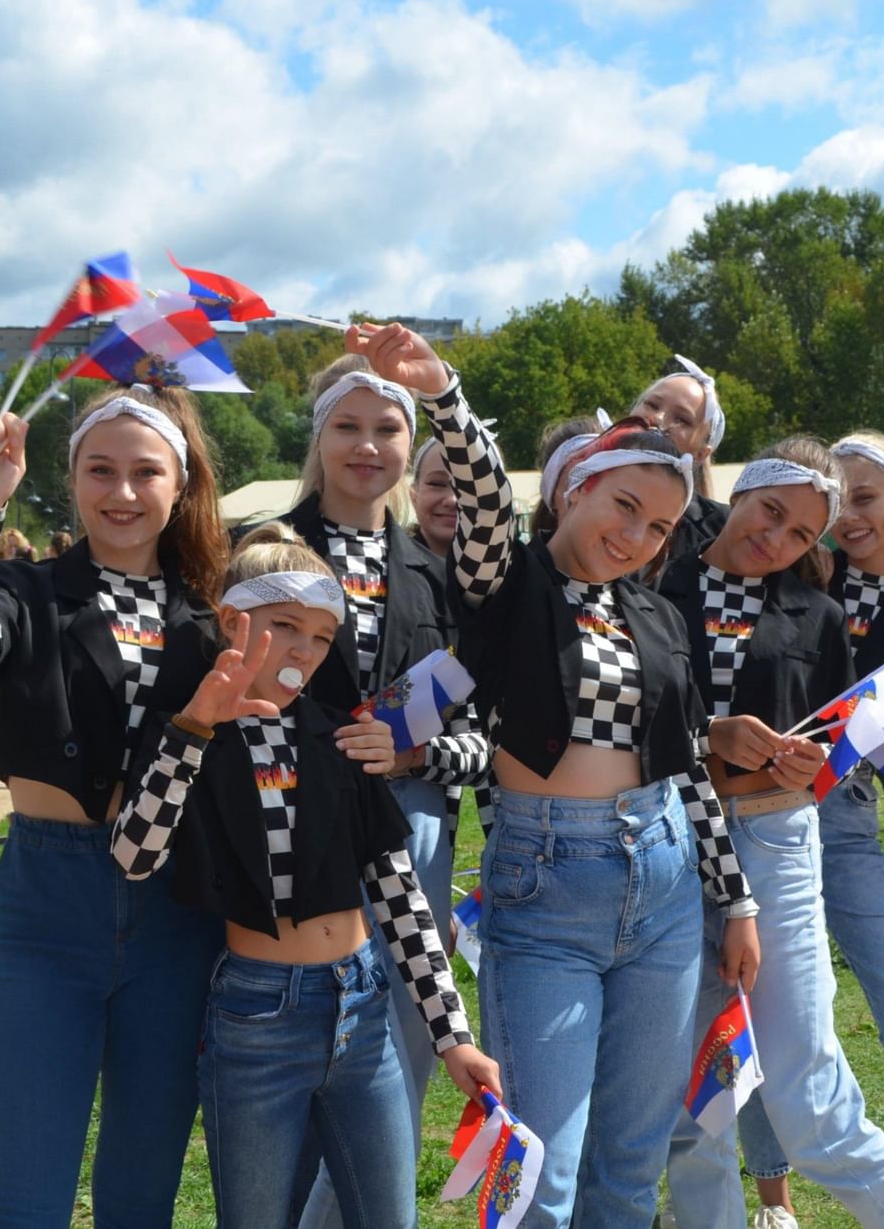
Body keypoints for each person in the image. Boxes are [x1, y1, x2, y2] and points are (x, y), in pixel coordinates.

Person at [372, 321, 761, 1228]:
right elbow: (475, 499)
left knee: (629, 1165)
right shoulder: (507, 586)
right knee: (541, 1164)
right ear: (575, 489)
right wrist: (444, 394)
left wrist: (733, 899)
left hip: (665, 885)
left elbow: (688, 765)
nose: (637, 535)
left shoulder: (656, 616)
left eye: (659, 525)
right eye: (623, 505)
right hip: (546, 885)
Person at [112, 525, 500, 1227]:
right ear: (233, 621)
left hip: (363, 1010)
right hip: (255, 1018)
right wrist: (195, 728)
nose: (303, 651)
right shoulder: (190, 737)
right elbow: (134, 854)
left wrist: (453, 1036)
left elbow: (399, 895)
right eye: (285, 626)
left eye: (322, 636)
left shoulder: (341, 738)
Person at [0, 383, 229, 1227]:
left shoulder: (209, 616)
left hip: (174, 912)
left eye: (144, 473)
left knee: (142, 1190)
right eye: (101, 470)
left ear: (180, 485)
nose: (121, 493)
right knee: (23, 1193)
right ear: (70, 477)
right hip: (48, 906)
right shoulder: (26, 589)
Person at [661, 440, 884, 1229]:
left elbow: (835, 744)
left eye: (801, 534)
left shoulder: (819, 615)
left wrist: (810, 760)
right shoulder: (656, 584)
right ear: (741, 493)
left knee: (811, 1097)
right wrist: (713, 740)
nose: (778, 539)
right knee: (699, 1103)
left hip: (778, 842)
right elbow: (632, 733)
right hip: (670, 841)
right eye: (771, 513)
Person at [261, 357, 489, 1229]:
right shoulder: (267, 549)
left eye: (388, 428)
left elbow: (484, 741)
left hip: (412, 837)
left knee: (401, 1043)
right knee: (291, 1051)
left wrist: (418, 759)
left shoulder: (438, 576)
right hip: (290, 833)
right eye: (347, 426)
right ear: (317, 436)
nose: (367, 445)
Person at [634, 355, 731, 566]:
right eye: (651, 404)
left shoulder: (719, 529)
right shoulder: (580, 480)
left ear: (701, 454)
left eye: (681, 420)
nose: (658, 418)